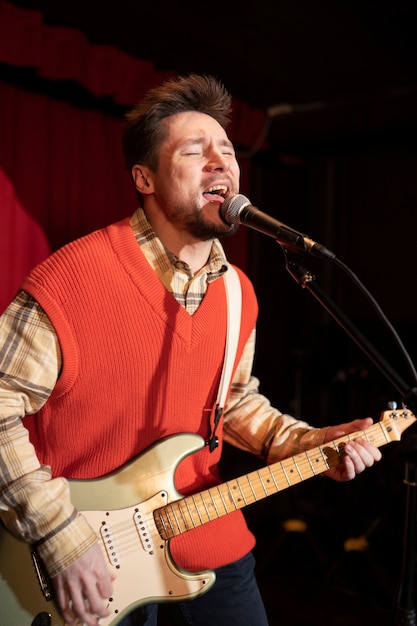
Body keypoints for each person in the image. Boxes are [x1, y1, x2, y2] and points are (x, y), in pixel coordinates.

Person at [0, 74, 382, 626]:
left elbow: (232, 403)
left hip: (207, 532)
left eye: (226, 151)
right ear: (145, 178)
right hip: (87, 549)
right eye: (194, 151)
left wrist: (313, 443)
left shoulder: (238, 292)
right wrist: (60, 534)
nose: (220, 162)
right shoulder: (71, 277)